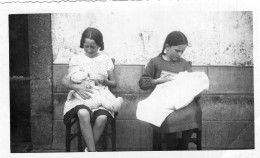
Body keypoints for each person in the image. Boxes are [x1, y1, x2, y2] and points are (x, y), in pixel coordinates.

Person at [62, 27, 120, 152]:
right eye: (86, 46)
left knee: (102, 118)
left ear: (100, 45)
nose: (89, 50)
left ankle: (88, 150)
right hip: (80, 96)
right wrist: (77, 87)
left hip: (100, 95)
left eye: (92, 47)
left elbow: (114, 83)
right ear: (82, 44)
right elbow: (64, 80)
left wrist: (105, 81)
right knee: (83, 113)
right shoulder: (77, 59)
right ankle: (93, 153)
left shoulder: (106, 59)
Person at [138, 31, 198, 150]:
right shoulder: (155, 62)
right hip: (163, 101)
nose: (180, 54)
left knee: (194, 111)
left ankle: (183, 146)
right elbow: (142, 83)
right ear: (167, 47)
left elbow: (192, 85)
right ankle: (171, 149)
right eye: (177, 50)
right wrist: (157, 81)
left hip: (182, 101)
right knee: (168, 116)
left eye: (182, 51)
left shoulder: (184, 64)